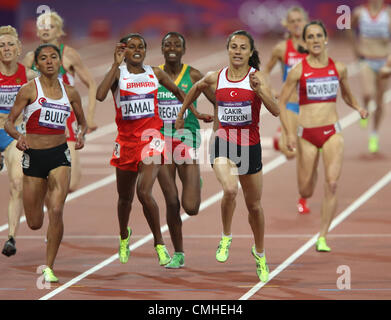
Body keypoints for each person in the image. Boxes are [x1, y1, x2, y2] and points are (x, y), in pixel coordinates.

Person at [96, 33, 211, 267]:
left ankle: (160, 243)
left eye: (141, 47)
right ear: (124, 51)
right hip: (129, 143)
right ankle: (130, 238)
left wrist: (194, 113)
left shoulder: (155, 74)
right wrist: (114, 65)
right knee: (130, 198)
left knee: (158, 196)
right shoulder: (119, 74)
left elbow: (180, 92)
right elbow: (99, 95)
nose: (136, 50)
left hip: (156, 139)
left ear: (146, 50)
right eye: (131, 47)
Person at [175, 30, 279, 282]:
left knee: (254, 206)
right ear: (228, 49)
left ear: (250, 52)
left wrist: (260, 92)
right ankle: (226, 236)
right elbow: (195, 88)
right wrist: (184, 114)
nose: (238, 51)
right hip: (223, 143)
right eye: (234, 47)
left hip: (250, 146)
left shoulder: (257, 78)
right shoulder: (216, 77)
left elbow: (275, 111)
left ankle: (260, 252)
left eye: (243, 48)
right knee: (230, 190)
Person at [279, 21, 368, 252]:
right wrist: (288, 132)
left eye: (319, 35)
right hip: (306, 134)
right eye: (311, 37)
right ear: (306, 42)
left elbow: (348, 96)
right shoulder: (299, 70)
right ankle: (308, 177)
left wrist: (358, 108)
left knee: (333, 183)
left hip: (331, 131)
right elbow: (282, 100)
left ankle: (322, 236)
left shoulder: (339, 68)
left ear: (326, 39)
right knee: (306, 189)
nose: (315, 40)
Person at [5, 43, 87, 282]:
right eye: (44, 58)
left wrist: (81, 134)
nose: (49, 61)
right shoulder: (29, 90)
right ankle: (39, 197)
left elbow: (81, 122)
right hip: (34, 156)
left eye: (53, 57)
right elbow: (10, 122)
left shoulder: (70, 92)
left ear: (60, 62)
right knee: (34, 223)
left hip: (59, 154)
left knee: (57, 209)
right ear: (37, 64)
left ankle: (49, 266)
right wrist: (18, 136)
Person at [157, 32, 215, 268]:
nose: (172, 48)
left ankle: (195, 181)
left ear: (184, 49)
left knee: (190, 207)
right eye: (168, 44)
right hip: (160, 140)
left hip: (186, 138)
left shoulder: (192, 75)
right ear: (162, 48)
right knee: (171, 202)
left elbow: (216, 100)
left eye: (177, 45)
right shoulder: (154, 75)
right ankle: (178, 253)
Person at [23, 11, 97, 192]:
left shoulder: (69, 55)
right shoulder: (30, 58)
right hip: (38, 119)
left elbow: (92, 83)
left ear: (59, 31)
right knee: (35, 179)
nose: (46, 30)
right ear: (38, 32)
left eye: (51, 26)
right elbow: (20, 90)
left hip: (65, 118)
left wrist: (90, 117)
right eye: (42, 26)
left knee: (70, 184)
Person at [265, 6, 310, 214]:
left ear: (305, 21)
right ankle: (280, 136)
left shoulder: (315, 45)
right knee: (290, 153)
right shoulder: (282, 48)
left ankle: (303, 198)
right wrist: (272, 89)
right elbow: (264, 71)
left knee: (305, 154)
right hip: (290, 104)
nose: (296, 24)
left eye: (299, 20)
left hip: (311, 107)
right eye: (292, 21)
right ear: (287, 25)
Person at [0, 25, 37, 257]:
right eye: (1, 45)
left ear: (19, 48)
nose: (6, 49)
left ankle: (11, 236)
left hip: (14, 134)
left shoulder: (30, 76)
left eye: (10, 44)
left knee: (16, 182)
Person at [347, 0, 391, 153]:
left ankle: (374, 134)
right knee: (368, 93)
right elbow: (349, 28)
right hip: (366, 60)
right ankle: (365, 107)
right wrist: (355, 48)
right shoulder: (360, 12)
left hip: (384, 61)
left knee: (379, 101)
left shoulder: (388, 13)